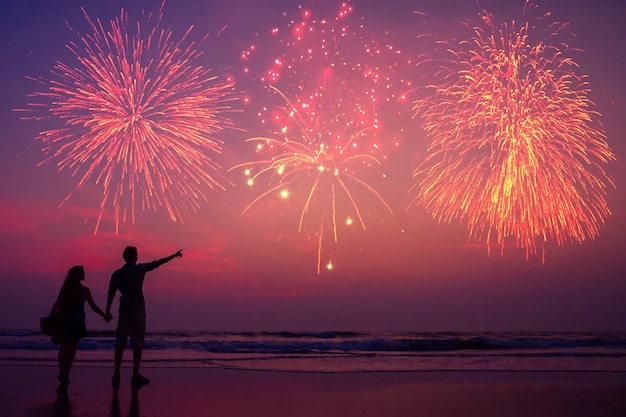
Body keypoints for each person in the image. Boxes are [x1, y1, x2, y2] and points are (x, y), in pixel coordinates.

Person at [106, 246, 182, 388]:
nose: (138, 257)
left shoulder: (117, 274)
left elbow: (111, 293)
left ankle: (116, 373)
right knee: (138, 340)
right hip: (137, 307)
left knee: (120, 341)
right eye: (137, 255)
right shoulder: (138, 269)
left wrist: (107, 310)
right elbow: (157, 263)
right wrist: (173, 255)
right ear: (134, 256)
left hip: (124, 309)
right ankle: (135, 374)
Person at [49, 265, 112, 393]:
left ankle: (63, 373)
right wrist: (104, 315)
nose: (85, 275)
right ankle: (65, 374)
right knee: (71, 349)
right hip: (77, 322)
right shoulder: (84, 290)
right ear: (78, 275)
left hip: (66, 321)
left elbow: (57, 303)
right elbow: (93, 306)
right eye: (83, 273)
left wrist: (51, 317)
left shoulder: (67, 288)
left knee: (65, 348)